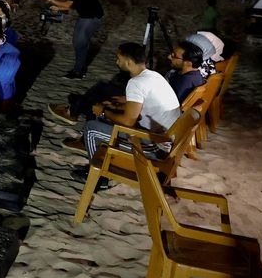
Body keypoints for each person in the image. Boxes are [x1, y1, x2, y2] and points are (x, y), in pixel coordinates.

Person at [69, 42, 181, 185]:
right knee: (107, 113)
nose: (117, 62)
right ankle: (101, 163)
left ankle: (98, 178)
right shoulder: (154, 76)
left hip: (155, 148)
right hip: (165, 140)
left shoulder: (135, 83)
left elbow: (128, 122)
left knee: (91, 128)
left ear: (128, 62)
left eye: (119, 59)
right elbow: (146, 102)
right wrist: (123, 102)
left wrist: (103, 111)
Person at [40, 0, 104, 79]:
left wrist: (51, 0)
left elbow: (67, 5)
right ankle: (79, 69)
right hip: (85, 16)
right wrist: (59, 8)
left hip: (92, 17)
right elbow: (74, 6)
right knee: (77, 42)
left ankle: (78, 72)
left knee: (80, 44)